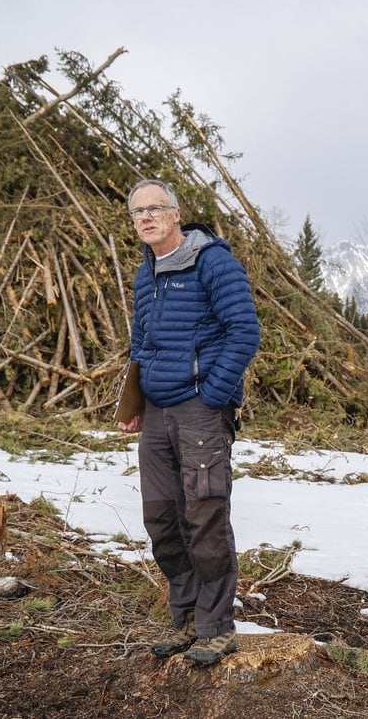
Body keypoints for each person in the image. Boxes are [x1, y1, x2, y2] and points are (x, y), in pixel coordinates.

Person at [117, 178, 260, 665]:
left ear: (177, 214)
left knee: (205, 514)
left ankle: (217, 626)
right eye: (138, 212)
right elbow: (142, 344)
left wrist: (213, 395)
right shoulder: (146, 273)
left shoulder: (212, 261)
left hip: (199, 408)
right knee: (162, 518)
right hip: (157, 413)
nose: (146, 218)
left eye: (155, 209)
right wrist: (135, 403)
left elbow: (245, 331)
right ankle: (186, 619)